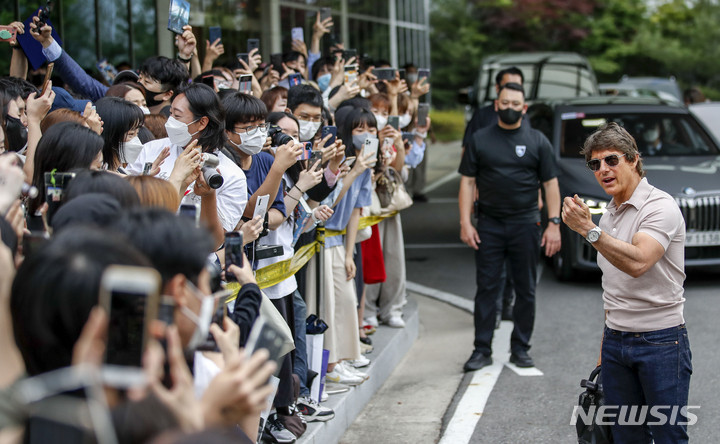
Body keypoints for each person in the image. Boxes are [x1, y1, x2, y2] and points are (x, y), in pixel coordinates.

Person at [562, 122, 691, 444]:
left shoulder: (660, 207)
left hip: (661, 341)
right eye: (595, 164)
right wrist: (604, 349)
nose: (602, 169)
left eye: (611, 160)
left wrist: (588, 230)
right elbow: (614, 287)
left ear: (633, 159)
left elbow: (638, 262)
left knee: (668, 436)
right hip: (616, 342)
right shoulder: (610, 214)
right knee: (624, 436)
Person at [458, 83, 561, 372]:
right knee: (487, 288)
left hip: (526, 224)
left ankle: (520, 349)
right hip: (489, 224)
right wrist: (466, 222)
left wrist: (554, 224)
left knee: (526, 289)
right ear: (496, 105)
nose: (510, 108)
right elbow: (467, 182)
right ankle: (481, 350)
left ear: (524, 108)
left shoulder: (537, 140)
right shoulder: (480, 139)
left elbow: (551, 184)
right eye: (505, 102)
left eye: (516, 103)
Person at [128, 83, 247, 234]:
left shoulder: (231, 175)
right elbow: (126, 202)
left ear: (202, 122)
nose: (170, 121)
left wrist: (207, 195)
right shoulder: (151, 150)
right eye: (170, 113)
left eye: (177, 116)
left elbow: (216, 238)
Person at [462, 67, 528, 150]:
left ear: (524, 108)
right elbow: (467, 150)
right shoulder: (481, 116)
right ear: (497, 88)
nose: (512, 90)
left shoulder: (528, 122)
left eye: (516, 86)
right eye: (507, 86)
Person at [94, 96, 146, 169]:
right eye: (131, 134)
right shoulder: (97, 174)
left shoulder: (121, 170)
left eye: (136, 134)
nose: (137, 141)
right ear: (111, 135)